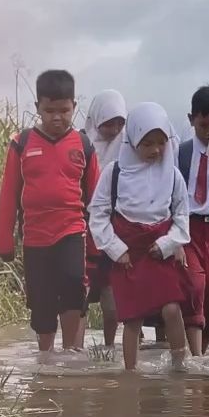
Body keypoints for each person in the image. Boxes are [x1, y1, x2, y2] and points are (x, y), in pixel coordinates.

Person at [88, 102, 198, 372]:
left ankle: (180, 367)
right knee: (132, 318)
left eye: (161, 143)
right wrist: (116, 249)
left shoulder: (173, 176)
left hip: (159, 251)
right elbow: (98, 214)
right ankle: (131, 373)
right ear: (133, 140)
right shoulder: (114, 173)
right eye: (147, 144)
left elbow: (182, 217)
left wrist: (167, 244)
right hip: (128, 253)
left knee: (171, 309)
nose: (155, 150)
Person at [0, 69, 98, 352]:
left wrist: (97, 248)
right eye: (49, 110)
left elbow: (97, 200)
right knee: (42, 303)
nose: (57, 117)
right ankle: (45, 359)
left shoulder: (84, 145)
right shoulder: (22, 143)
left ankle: (70, 354)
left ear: (74, 107)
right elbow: (8, 195)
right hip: (36, 237)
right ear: (37, 107)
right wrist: (4, 242)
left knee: (73, 286)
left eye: (64, 111)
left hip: (72, 231)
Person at [176, 85, 209, 355]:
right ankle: (195, 359)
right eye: (203, 125)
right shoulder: (180, 154)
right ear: (191, 120)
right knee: (195, 287)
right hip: (188, 229)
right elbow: (170, 195)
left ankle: (201, 353)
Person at [83, 90, 129, 347]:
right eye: (108, 123)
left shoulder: (128, 146)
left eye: (120, 123)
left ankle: (110, 350)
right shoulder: (81, 144)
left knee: (112, 305)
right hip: (84, 230)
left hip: (115, 229)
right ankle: (74, 351)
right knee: (79, 298)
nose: (114, 129)